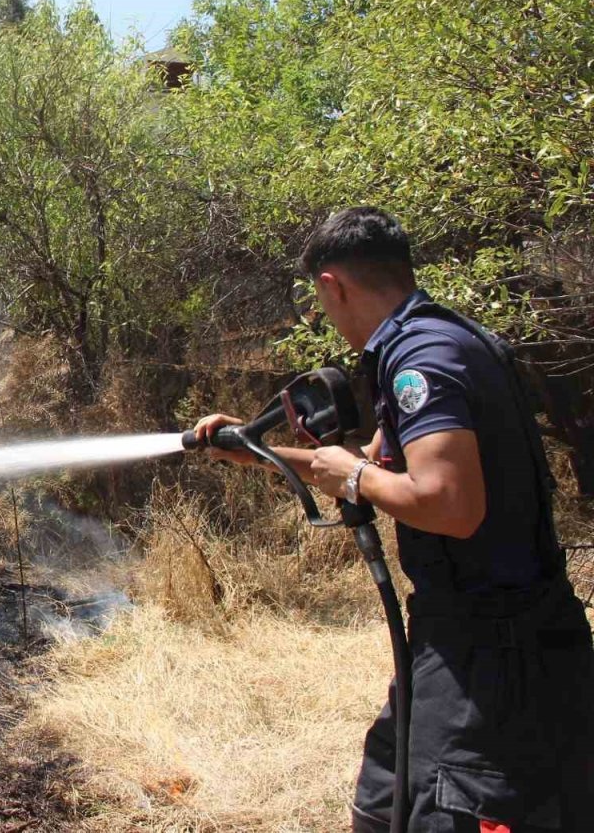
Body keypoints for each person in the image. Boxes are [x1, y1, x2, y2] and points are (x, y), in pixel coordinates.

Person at [194, 207, 594, 832]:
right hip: (464, 642)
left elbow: (450, 505)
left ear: (332, 285)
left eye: (319, 301)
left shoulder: (421, 359)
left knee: (445, 812)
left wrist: (354, 477)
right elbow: (372, 465)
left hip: (496, 657)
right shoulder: (445, 337)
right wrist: (255, 451)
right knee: (385, 802)